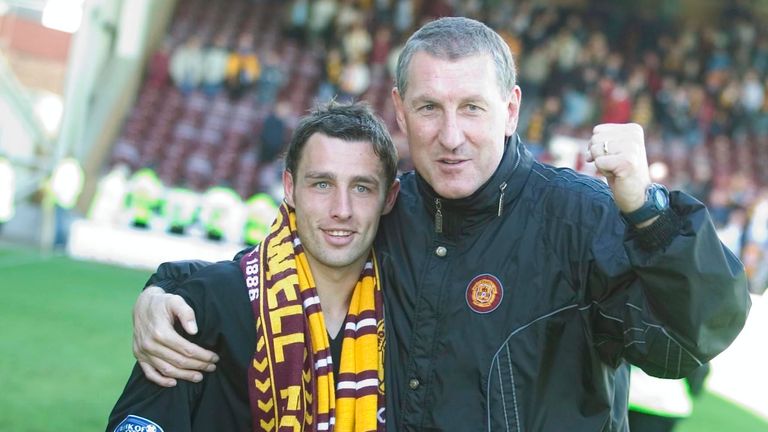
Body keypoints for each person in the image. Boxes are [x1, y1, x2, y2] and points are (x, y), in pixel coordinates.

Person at [131, 17, 750, 431]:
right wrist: (166, 293)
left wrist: (645, 207)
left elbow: (694, 337)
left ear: (510, 110)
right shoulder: (386, 213)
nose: (450, 137)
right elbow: (271, 265)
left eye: (472, 109)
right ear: (399, 112)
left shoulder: (584, 217)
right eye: (429, 108)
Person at [107, 102, 399, 431]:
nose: (341, 209)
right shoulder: (202, 308)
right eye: (322, 184)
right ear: (290, 188)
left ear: (389, 198)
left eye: (361, 188)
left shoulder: (407, 318)